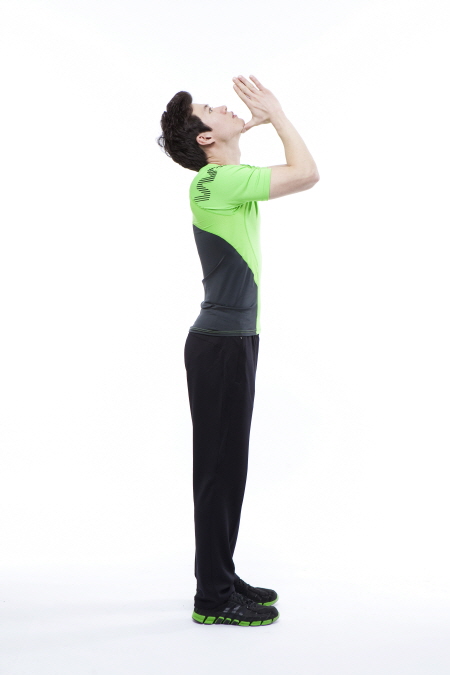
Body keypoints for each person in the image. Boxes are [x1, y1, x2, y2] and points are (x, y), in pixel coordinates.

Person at [156, 74, 320, 627]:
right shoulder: (218, 180)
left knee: (228, 468)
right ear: (205, 138)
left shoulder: (224, 179)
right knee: (220, 472)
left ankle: (220, 575)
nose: (226, 106)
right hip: (221, 347)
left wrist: (252, 127)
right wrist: (275, 116)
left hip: (230, 342)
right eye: (211, 109)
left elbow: (283, 171)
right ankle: (213, 597)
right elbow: (306, 173)